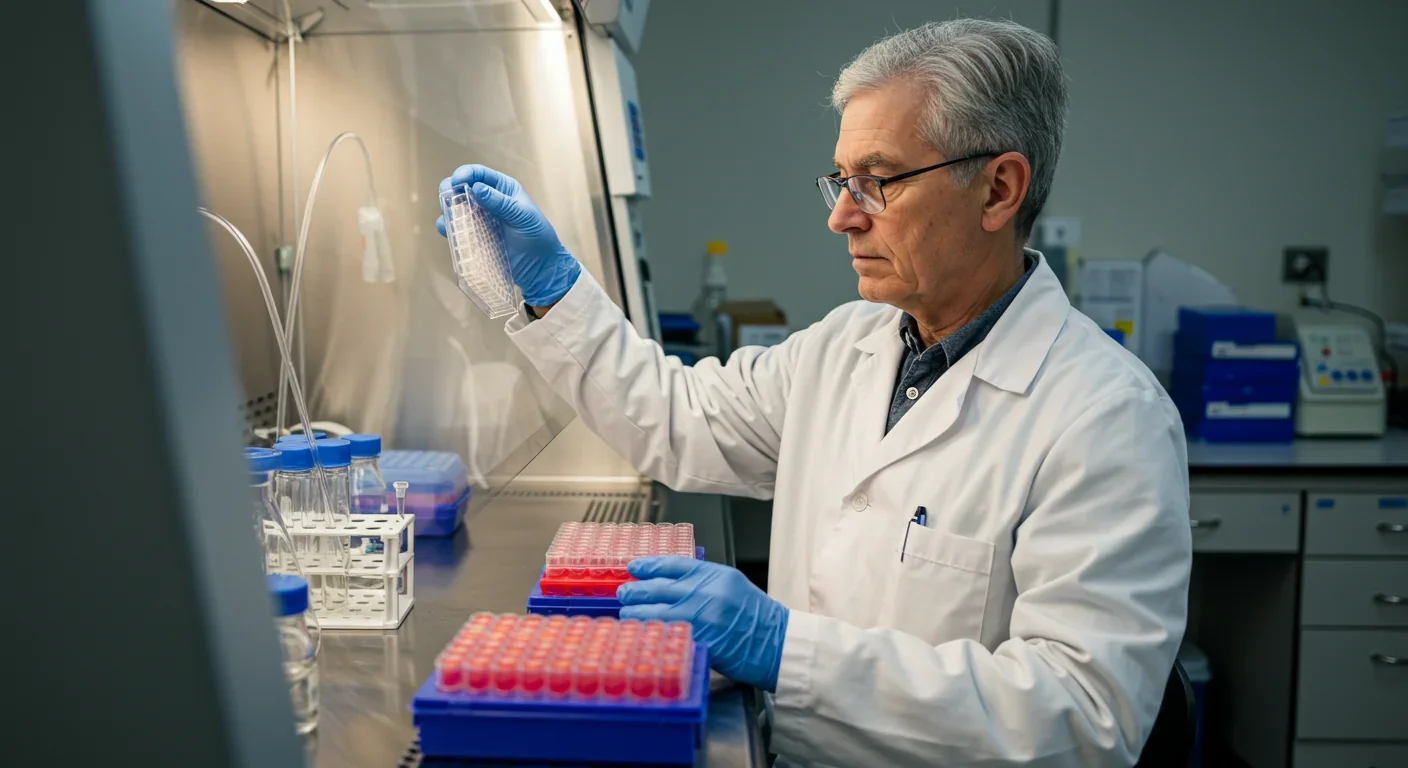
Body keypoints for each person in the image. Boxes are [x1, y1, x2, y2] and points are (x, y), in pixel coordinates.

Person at [437, 18, 1190, 768]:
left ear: (998, 189)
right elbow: (677, 420)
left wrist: (785, 649)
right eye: (840, 180)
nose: (842, 215)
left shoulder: (1106, 418)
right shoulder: (846, 345)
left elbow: (1083, 720)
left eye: (877, 181)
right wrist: (554, 292)